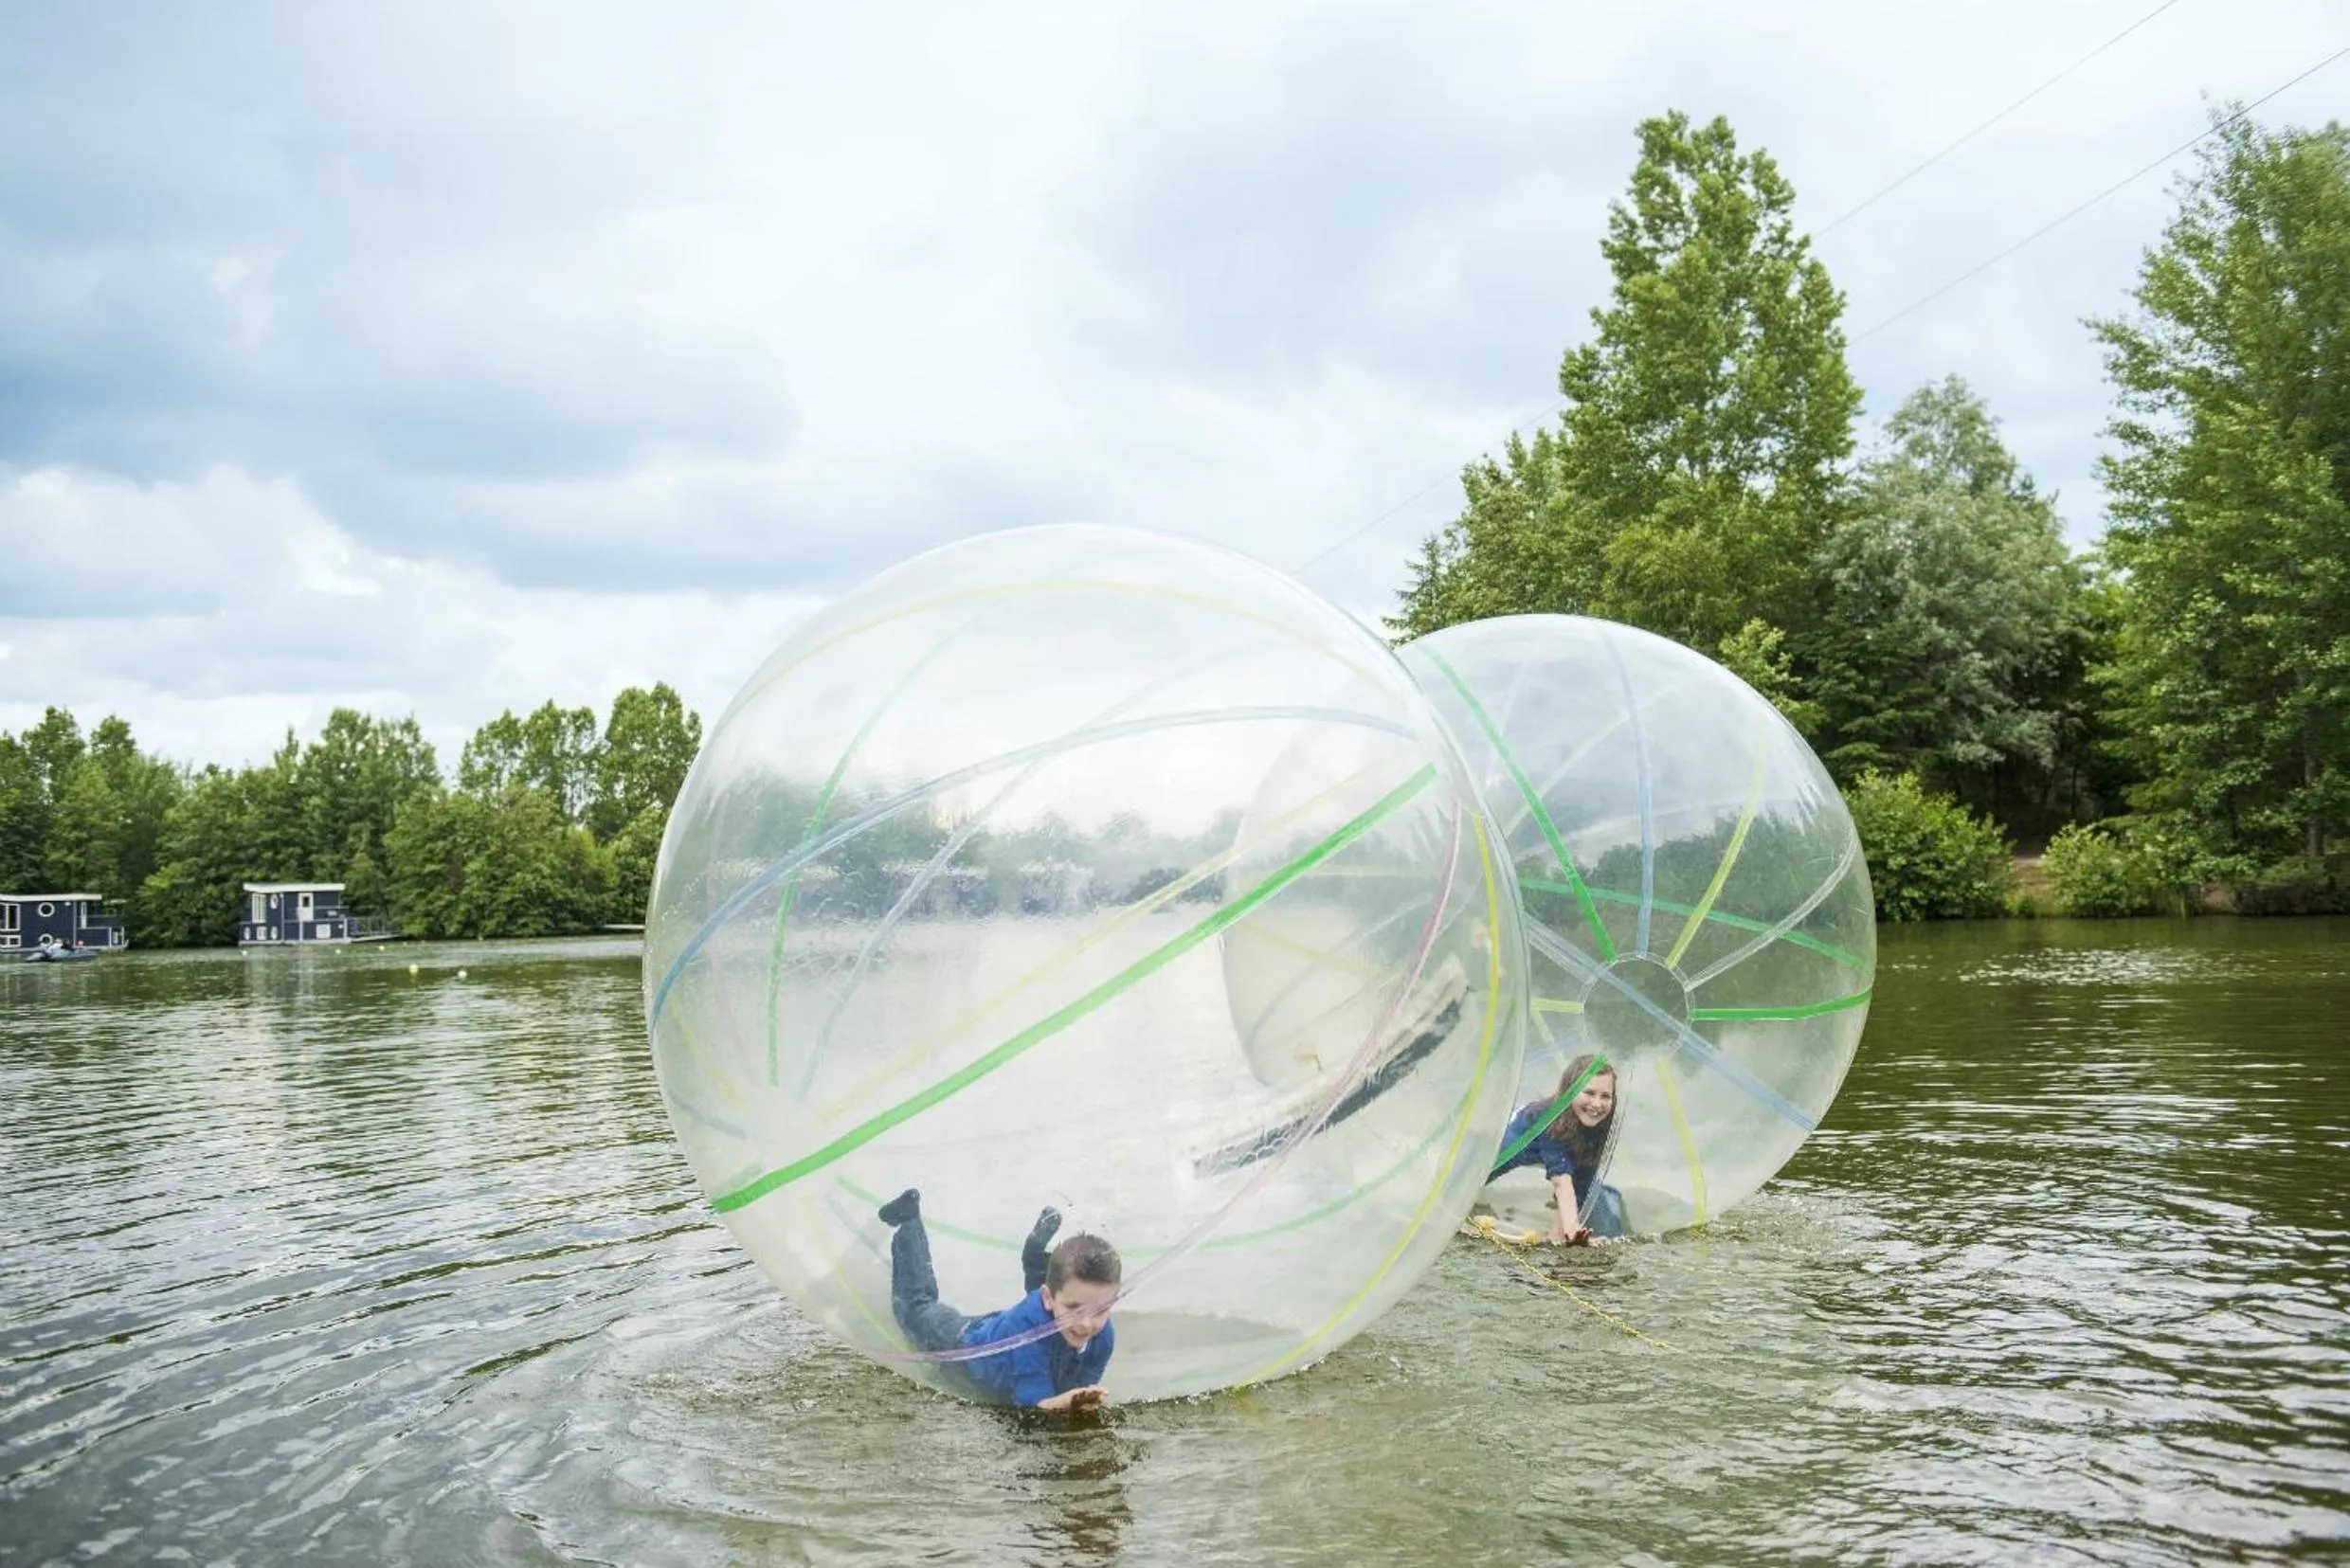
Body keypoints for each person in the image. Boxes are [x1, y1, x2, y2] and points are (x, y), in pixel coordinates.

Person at [878, 1188, 1118, 1412]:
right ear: (1048, 1298)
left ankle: (1035, 1253)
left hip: (1005, 1324)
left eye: (1099, 1310)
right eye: (1074, 1308)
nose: (1086, 1323)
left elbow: (1080, 1385)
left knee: (1053, 1300)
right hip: (963, 1340)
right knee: (916, 1306)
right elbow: (1035, 1408)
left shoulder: (1103, 1336)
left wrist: (1082, 1397)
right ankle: (910, 1219)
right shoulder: (1026, 1337)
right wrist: (1069, 1401)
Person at [1490, 1054, 1624, 1244]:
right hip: (1511, 1141)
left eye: (1605, 1096)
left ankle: (1604, 1201)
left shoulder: (1597, 1122)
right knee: (1479, 1174)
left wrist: (1562, 1235)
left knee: (1602, 1221)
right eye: (1589, 1093)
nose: (1597, 1104)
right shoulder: (1550, 1119)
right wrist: (1572, 1229)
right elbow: (1562, 1181)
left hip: (1565, 1155)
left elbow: (1581, 1181)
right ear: (1570, 1091)